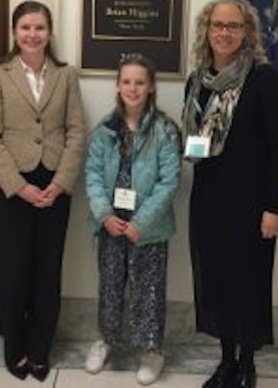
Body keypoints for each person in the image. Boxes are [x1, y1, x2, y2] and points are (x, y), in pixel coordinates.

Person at [182, 0, 278, 388]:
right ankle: (226, 360)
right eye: (217, 25)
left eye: (233, 26)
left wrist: (274, 207)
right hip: (209, 199)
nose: (224, 33)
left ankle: (247, 363)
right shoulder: (198, 81)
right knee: (216, 280)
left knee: (248, 281)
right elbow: (194, 136)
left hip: (252, 203)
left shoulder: (262, 79)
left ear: (247, 33)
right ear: (206, 31)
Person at [0, 0, 85, 382]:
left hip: (55, 187)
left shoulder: (66, 75)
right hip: (12, 190)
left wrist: (60, 184)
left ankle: (41, 349)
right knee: (13, 273)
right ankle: (15, 348)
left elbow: (76, 132)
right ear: (14, 32)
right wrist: (19, 186)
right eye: (25, 27)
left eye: (39, 27)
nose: (32, 34)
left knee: (46, 272)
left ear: (50, 32)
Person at [83, 54, 181, 385]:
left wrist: (142, 222)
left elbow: (169, 181)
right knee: (109, 286)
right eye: (126, 81)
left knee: (148, 291)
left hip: (147, 229)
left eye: (140, 82)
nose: (133, 88)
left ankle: (151, 350)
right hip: (111, 225)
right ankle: (106, 340)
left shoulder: (165, 131)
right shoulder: (104, 131)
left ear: (151, 86)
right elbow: (93, 176)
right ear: (117, 85)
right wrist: (104, 215)